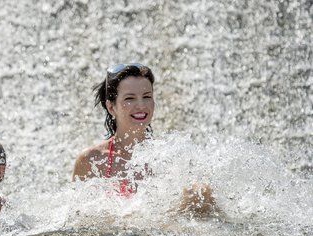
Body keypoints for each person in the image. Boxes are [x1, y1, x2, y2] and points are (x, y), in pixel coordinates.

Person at [72, 63, 217, 217]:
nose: (141, 105)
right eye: (130, 98)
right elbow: (79, 221)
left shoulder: (171, 157)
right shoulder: (91, 160)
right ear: (111, 107)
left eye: (147, 97)